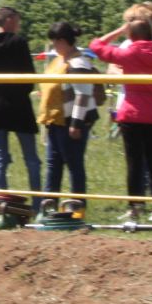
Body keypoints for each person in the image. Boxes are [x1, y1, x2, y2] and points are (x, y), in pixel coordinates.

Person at [90, 17, 152, 222]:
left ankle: (135, 208)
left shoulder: (128, 52)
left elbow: (96, 46)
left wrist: (118, 30)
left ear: (131, 35)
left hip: (132, 113)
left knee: (134, 162)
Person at [0, 7, 42, 208]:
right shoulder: (19, 43)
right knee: (31, 157)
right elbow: (29, 76)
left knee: (0, 156)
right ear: (10, 20)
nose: (19, 24)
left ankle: (0, 204)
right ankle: (38, 204)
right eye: (18, 20)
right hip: (18, 105)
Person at [38, 22, 98, 209]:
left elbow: (83, 94)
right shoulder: (60, 59)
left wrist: (76, 123)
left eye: (55, 42)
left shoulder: (78, 62)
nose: (54, 46)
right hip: (55, 120)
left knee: (73, 164)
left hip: (70, 121)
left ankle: (77, 206)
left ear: (63, 41)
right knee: (53, 165)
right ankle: (49, 204)